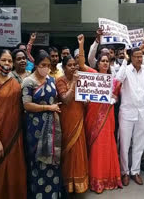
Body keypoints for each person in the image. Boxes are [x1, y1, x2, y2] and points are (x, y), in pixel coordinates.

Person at [0, 49, 26, 199]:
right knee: (2, 170)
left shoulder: (14, 82)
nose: (7, 64)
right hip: (1, 135)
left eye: (9, 61)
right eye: (4, 60)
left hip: (16, 134)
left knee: (17, 168)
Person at [83, 41, 122, 194]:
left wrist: (114, 98)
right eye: (102, 61)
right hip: (93, 117)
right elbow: (81, 63)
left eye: (107, 61)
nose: (105, 63)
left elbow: (117, 97)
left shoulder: (114, 81)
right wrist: (82, 45)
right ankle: (96, 179)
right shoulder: (92, 76)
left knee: (107, 145)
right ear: (97, 63)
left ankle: (107, 178)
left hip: (107, 118)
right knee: (96, 147)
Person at [22, 50, 62, 198]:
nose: (46, 67)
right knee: (38, 159)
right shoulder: (28, 81)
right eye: (42, 65)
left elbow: (56, 99)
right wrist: (48, 108)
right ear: (36, 65)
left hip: (53, 126)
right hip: (36, 128)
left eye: (48, 65)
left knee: (53, 158)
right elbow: (27, 105)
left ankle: (53, 194)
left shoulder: (51, 80)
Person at [56, 35, 89, 196]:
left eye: (75, 65)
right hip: (66, 121)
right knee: (68, 152)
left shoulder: (82, 79)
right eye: (69, 65)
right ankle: (67, 185)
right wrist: (75, 82)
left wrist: (87, 100)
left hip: (79, 119)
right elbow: (66, 100)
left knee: (79, 151)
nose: (73, 68)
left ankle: (79, 185)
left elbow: (84, 102)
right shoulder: (60, 81)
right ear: (63, 68)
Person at [116, 48, 144, 186]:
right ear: (131, 57)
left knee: (139, 144)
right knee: (124, 145)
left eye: (141, 56)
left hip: (142, 112)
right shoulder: (125, 69)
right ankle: (124, 172)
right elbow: (118, 80)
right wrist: (125, 60)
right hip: (127, 112)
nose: (139, 59)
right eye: (136, 57)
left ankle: (135, 171)